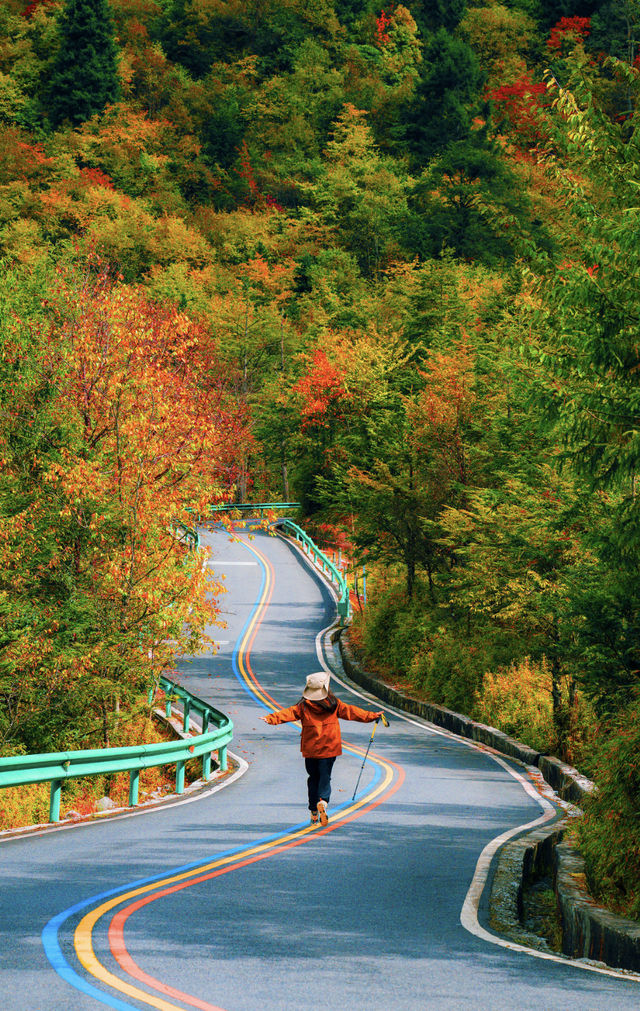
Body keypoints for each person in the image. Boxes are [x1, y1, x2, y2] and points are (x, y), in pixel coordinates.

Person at [259, 671, 384, 827]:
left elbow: (288, 713)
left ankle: (313, 812)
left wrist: (270, 718)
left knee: (313, 779)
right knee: (325, 776)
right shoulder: (334, 704)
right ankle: (323, 801)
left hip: (310, 750)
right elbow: (352, 712)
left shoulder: (303, 706)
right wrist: (371, 716)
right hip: (329, 748)